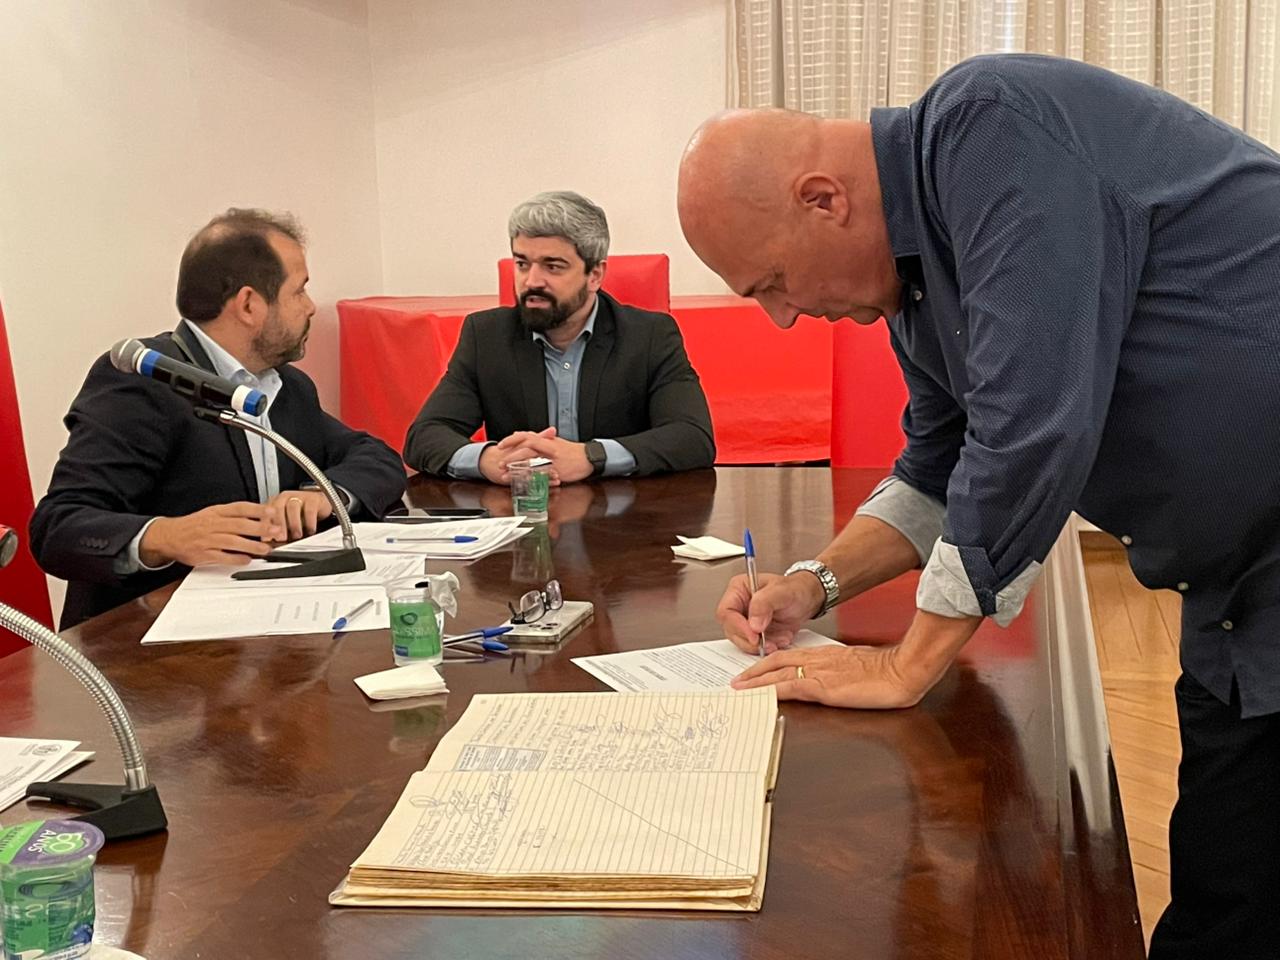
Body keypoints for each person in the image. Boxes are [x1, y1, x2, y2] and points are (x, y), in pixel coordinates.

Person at [677, 54, 1280, 959]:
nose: (782, 317)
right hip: (1238, 586)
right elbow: (937, 465)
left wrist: (908, 663)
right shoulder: (917, 278)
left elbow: (1031, 427)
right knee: (1226, 898)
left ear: (823, 200)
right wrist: (813, 584)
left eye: (770, 283)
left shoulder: (990, 124)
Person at [31, 209, 407, 628]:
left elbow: (376, 458)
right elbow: (57, 528)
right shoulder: (144, 381)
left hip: (266, 627)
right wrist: (167, 535)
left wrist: (322, 495)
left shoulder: (287, 387)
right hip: (147, 644)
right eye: (299, 291)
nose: (310, 307)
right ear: (248, 304)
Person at [403, 190, 715, 484]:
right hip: (524, 511)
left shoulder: (649, 336)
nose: (532, 281)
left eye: (552, 266)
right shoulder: (486, 337)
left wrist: (591, 456)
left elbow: (692, 437)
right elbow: (424, 436)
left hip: (624, 515)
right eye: (522, 264)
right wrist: (489, 460)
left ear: (594, 275)